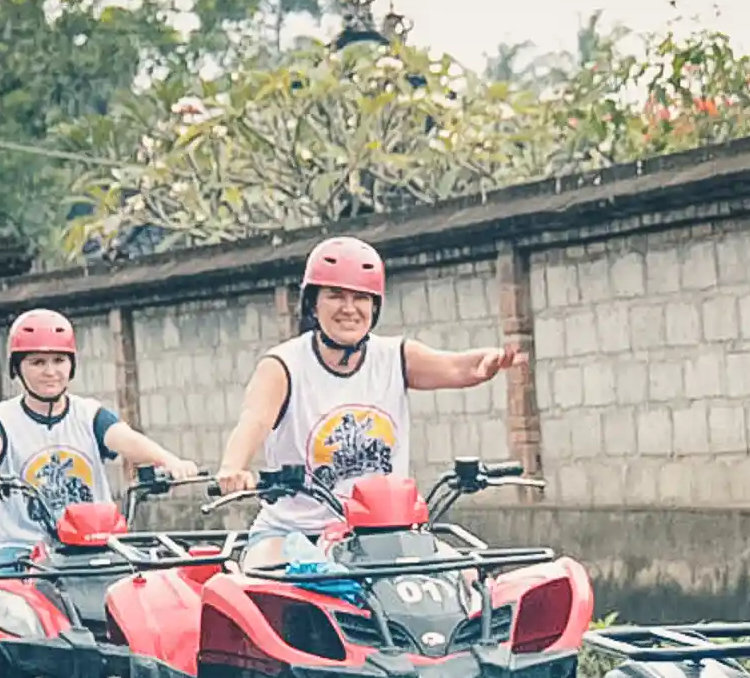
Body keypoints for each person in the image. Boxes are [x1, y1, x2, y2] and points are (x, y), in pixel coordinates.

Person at [214, 236, 528, 567]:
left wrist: (486, 363)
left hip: (385, 535)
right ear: (313, 303)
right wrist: (233, 468)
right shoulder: (283, 366)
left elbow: (455, 366)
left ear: (374, 306)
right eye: (335, 295)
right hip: (295, 533)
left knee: (464, 580)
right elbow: (254, 420)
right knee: (267, 584)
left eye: (360, 297)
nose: (349, 308)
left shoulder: (395, 356)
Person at [0, 308, 195, 568]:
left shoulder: (89, 414)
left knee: (154, 581)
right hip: (22, 548)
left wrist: (169, 460)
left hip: (94, 544)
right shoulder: (2, 418)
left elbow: (126, 439)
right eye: (38, 362)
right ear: (17, 368)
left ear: (72, 365)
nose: (50, 371)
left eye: (59, 361)